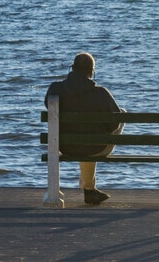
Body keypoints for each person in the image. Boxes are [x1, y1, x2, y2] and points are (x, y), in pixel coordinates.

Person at [44, 52, 124, 204]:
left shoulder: (55, 89)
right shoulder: (101, 93)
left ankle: (89, 189)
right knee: (120, 116)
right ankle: (88, 189)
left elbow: (48, 105)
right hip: (96, 147)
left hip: (65, 146)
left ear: (72, 68)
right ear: (91, 71)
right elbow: (114, 122)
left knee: (85, 136)